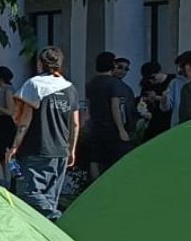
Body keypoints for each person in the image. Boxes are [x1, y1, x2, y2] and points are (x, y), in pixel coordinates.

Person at [9, 46, 80, 220]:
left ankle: (58, 218)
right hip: (61, 150)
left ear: (40, 64)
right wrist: (71, 149)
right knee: (50, 197)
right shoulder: (70, 89)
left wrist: (14, 146)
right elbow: (76, 124)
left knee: (27, 192)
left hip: (36, 148)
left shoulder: (34, 85)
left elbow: (25, 121)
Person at [86, 52, 135, 178]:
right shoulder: (114, 84)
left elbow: (88, 105)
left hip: (96, 126)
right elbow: (115, 107)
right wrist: (121, 129)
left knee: (95, 158)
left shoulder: (92, 83)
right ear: (112, 65)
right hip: (111, 128)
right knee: (117, 159)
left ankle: (94, 186)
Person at [138, 61, 171, 140]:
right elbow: (142, 101)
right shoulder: (147, 84)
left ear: (159, 72)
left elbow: (174, 100)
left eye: (153, 77)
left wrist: (156, 98)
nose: (151, 81)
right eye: (148, 78)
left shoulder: (172, 81)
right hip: (154, 119)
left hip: (168, 119)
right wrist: (144, 111)